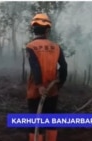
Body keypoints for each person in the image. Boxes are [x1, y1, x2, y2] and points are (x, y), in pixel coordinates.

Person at [26, 13, 67, 141]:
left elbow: (35, 67)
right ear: (47, 30)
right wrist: (58, 85)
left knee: (35, 120)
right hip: (52, 90)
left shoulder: (31, 47)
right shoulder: (56, 47)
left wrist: (39, 86)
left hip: (35, 91)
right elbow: (64, 67)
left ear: (34, 29)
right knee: (50, 119)